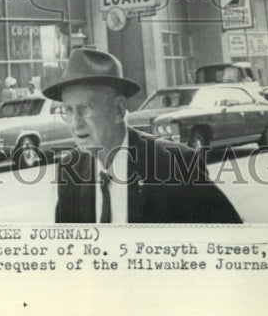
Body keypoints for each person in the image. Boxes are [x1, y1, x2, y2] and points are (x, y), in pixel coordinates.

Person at [43, 47, 242, 224]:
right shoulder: (70, 168)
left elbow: (227, 240)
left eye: (84, 109)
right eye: (68, 111)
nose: (75, 123)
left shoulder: (175, 163)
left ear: (119, 109)